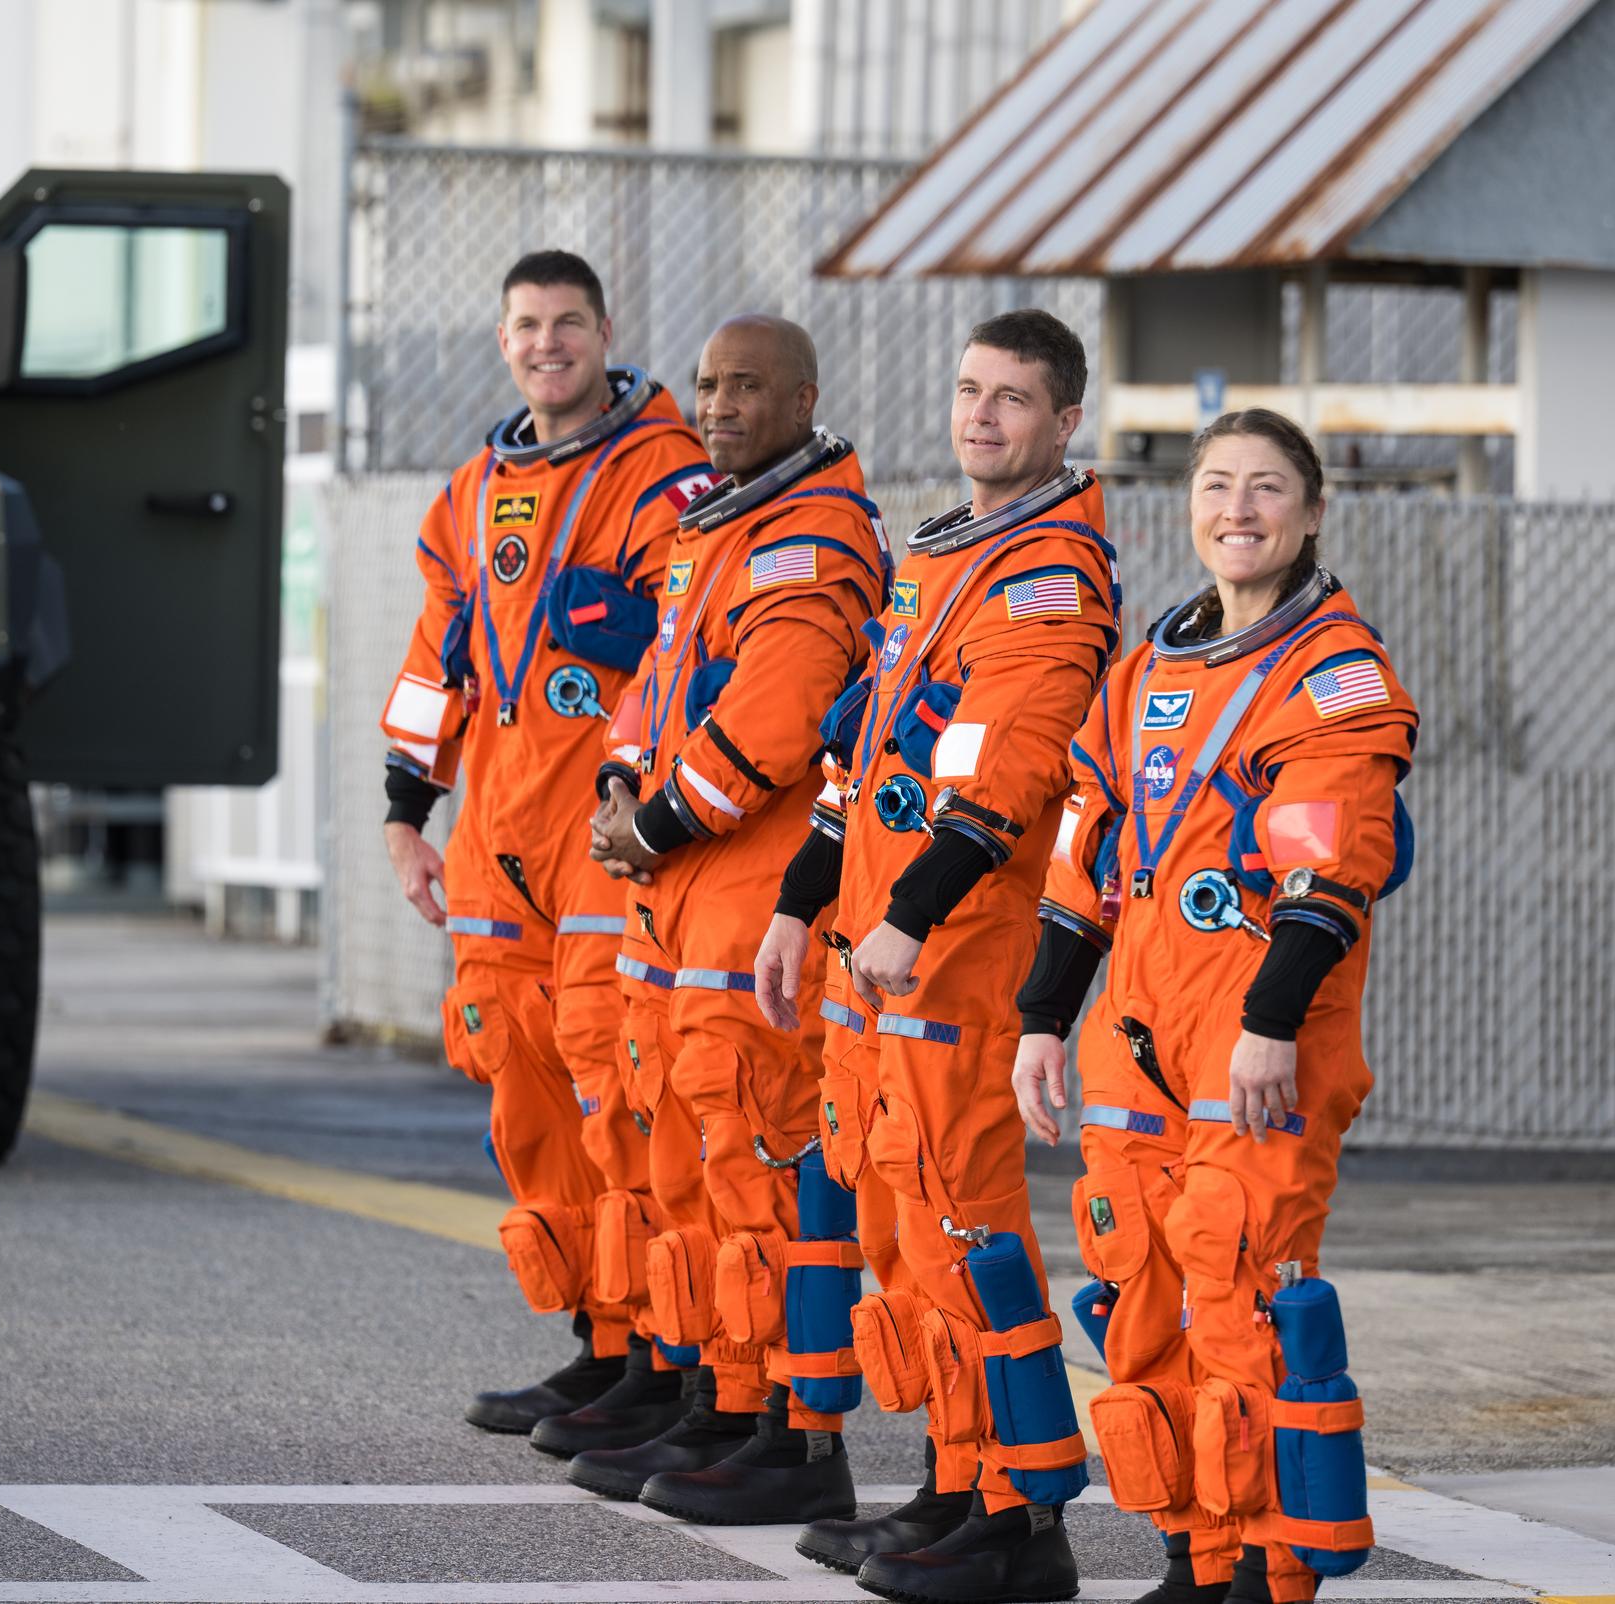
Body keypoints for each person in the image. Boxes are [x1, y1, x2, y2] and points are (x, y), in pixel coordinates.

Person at [1012, 409, 1417, 1604]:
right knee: (1141, 1299)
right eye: (1218, 485)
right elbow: (1085, 863)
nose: (1239, 509)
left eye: (1268, 487)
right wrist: (1042, 1018)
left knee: (1243, 1303)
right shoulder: (1144, 673)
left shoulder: (1334, 673)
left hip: (1256, 1041)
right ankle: (1197, 1554)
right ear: (1189, 504)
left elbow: (1327, 871)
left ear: (1313, 509)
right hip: (1136, 1038)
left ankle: (1270, 1573)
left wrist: (1271, 1022)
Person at [752, 309, 1117, 1602]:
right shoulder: (943, 554)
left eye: (1012, 398)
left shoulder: (1049, 577)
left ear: (1064, 421)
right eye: (970, 390)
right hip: (881, 960)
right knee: (906, 1243)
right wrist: (800, 904)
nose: (983, 415)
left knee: (970, 1236)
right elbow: (866, 760)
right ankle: (953, 1483)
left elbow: (1005, 778)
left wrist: (908, 916)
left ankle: (1024, 1522)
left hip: (956, 960)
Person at [380, 250, 713, 1438]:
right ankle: (598, 1337)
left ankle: (664, 1351)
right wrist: (405, 812)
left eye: (568, 322)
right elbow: (435, 661)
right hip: (495, 829)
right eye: (527, 324)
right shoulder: (473, 491)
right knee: (523, 1093)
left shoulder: (668, 474)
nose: (547, 343)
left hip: (607, 831)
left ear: (606, 332)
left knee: (620, 1087)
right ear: (503, 338)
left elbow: (693, 641)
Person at [566, 315, 890, 1522]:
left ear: (803, 399)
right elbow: (654, 685)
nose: (717, 404)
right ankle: (720, 1396)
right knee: (694, 1172)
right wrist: (620, 778)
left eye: (746, 386)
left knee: (759, 1172)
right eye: (706, 384)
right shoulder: (718, 527)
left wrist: (652, 822)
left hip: (750, 902)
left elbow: (776, 717)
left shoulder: (811, 538)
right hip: (681, 906)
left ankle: (797, 1437)